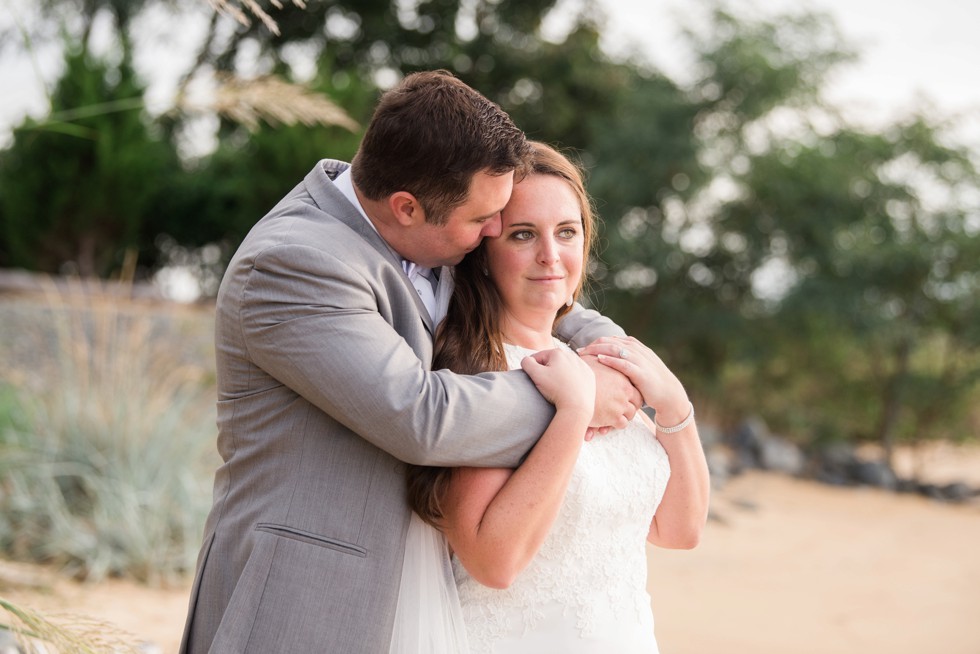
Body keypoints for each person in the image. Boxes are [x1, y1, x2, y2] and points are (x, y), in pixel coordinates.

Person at [179, 71, 643, 653]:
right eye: (481, 220)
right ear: (406, 208)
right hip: (305, 600)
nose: (494, 231)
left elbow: (533, 291)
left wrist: (608, 345)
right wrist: (576, 395)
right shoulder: (292, 263)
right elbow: (419, 415)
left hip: (422, 595)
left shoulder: (437, 233)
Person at [400, 141, 711, 653]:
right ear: (483, 253)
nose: (551, 255)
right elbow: (493, 562)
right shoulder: (482, 374)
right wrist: (572, 411)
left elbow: (680, 529)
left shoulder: (603, 362)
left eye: (566, 232)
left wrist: (675, 406)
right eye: (524, 235)